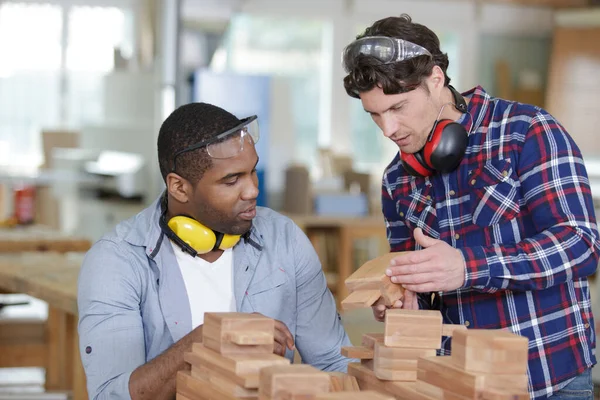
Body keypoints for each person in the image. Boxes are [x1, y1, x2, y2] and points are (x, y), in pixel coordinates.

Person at [341, 14, 599, 399]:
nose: (388, 130)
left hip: (546, 377)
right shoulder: (396, 178)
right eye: (375, 114)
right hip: (455, 381)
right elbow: (424, 286)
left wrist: (468, 267)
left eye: (398, 108)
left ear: (436, 79)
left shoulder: (527, 131)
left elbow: (581, 246)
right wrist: (402, 299)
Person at [77, 102, 352, 399]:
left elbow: (333, 364)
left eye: (252, 172)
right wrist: (206, 340)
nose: (252, 191)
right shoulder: (117, 261)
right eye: (231, 180)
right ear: (179, 188)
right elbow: (110, 395)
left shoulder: (284, 240)